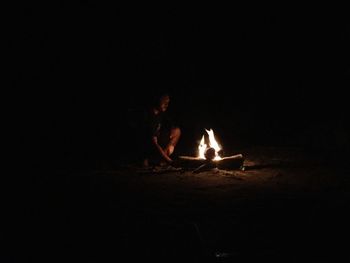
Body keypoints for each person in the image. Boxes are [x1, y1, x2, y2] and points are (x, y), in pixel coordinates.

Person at [141, 92, 181, 167]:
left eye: (168, 102)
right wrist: (169, 161)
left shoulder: (160, 114)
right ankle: (156, 159)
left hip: (158, 145)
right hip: (149, 147)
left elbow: (171, 127)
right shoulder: (150, 117)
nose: (166, 105)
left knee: (177, 131)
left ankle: (161, 159)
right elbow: (153, 143)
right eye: (164, 102)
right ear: (157, 101)